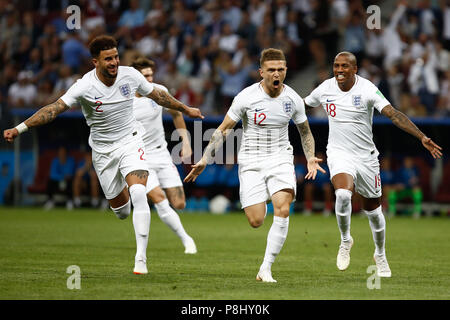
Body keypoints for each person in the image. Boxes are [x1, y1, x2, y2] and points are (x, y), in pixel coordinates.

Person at [3, 35, 203, 275]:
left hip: (131, 142)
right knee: (122, 211)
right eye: (108, 58)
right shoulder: (84, 86)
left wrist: (186, 108)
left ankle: (141, 259)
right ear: (95, 62)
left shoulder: (131, 75)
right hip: (103, 153)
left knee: (140, 192)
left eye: (116, 57)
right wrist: (19, 128)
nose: (114, 62)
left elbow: (159, 96)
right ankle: (124, 205)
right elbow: (53, 110)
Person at [184, 48, 324, 283]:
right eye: (271, 70)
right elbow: (224, 129)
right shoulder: (246, 97)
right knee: (256, 220)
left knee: (282, 208)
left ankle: (265, 268)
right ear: (261, 72)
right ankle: (270, 193)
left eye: (280, 69)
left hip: (280, 158)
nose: (276, 74)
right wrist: (205, 159)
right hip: (251, 161)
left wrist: (310, 156)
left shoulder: (293, 99)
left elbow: (305, 132)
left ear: (286, 70)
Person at [304, 51, 443, 278]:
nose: (339, 70)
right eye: (336, 65)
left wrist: (421, 137)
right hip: (339, 154)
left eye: (344, 66)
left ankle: (380, 254)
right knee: (342, 195)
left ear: (355, 69)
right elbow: (303, 105)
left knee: (374, 213)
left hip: (367, 158)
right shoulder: (325, 88)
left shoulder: (367, 89)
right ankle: (345, 240)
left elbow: (394, 115)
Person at [130, 57, 197, 254]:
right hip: (139, 158)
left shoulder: (159, 92)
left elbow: (176, 113)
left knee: (179, 203)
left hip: (161, 154)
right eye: (146, 76)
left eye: (151, 74)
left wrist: (186, 141)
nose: (150, 79)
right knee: (159, 197)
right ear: (135, 78)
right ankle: (187, 240)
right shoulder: (125, 100)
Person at [44, 146, 75, 210]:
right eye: (60, 153)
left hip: (67, 181)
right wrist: (62, 177)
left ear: (66, 153)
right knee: (50, 181)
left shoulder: (70, 160)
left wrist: (64, 176)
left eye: (63, 153)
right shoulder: (55, 161)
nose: (62, 154)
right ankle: (50, 201)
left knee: (71, 181)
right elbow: (52, 174)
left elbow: (70, 173)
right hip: (58, 181)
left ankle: (70, 201)